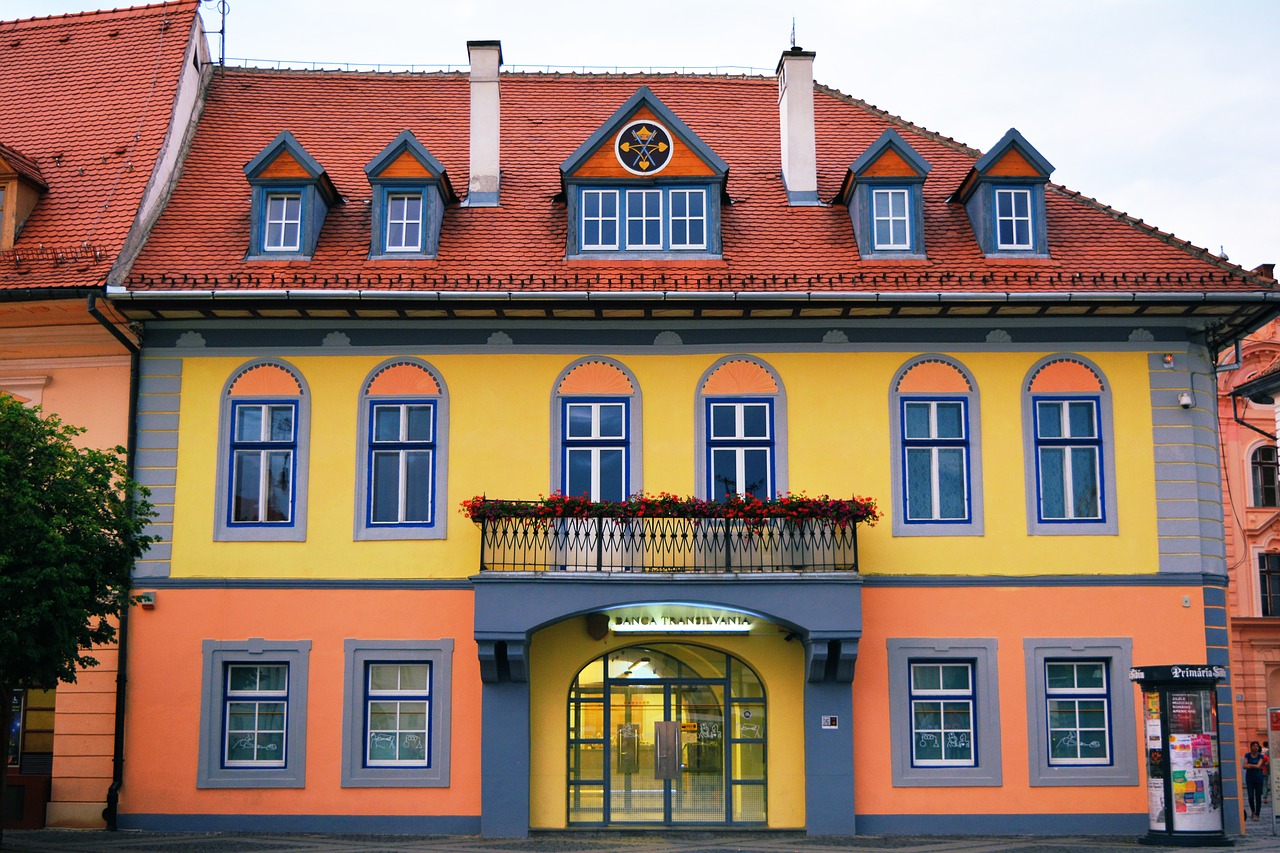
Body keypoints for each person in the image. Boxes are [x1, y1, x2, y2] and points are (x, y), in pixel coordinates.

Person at [1244, 741, 1266, 820]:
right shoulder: (1247, 755)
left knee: (1258, 797)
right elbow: (1244, 765)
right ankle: (1253, 811)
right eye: (1254, 746)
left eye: (1257, 746)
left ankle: (1257, 814)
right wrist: (1253, 766)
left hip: (1258, 778)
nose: (1256, 747)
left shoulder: (1260, 756)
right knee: (1250, 796)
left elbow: (1258, 766)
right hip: (1249, 778)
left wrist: (1250, 765)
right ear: (1251, 747)